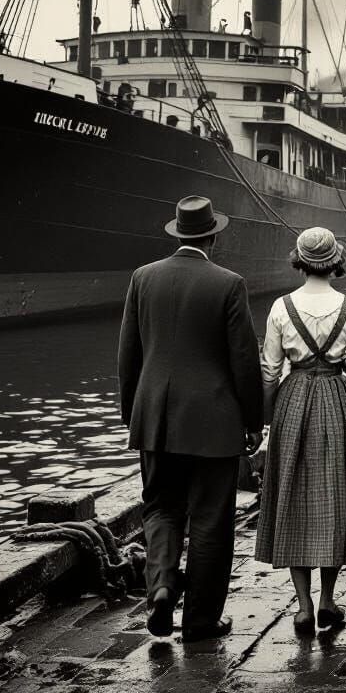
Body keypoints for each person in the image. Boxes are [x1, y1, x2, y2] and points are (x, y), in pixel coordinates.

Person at [117, 195, 264, 643]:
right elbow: (244, 360)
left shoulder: (143, 278)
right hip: (214, 424)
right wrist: (253, 421)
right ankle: (201, 620)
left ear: (178, 233)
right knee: (210, 520)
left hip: (156, 418)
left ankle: (161, 585)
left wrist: (133, 416)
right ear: (213, 236)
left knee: (160, 506)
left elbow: (129, 355)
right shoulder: (229, 283)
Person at [255, 228, 346, 636]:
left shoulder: (281, 307)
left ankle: (302, 607)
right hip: (337, 398)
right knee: (336, 495)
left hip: (294, 397)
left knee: (292, 497)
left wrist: (267, 417)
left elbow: (269, 368)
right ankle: (327, 600)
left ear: (298, 261)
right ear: (336, 260)